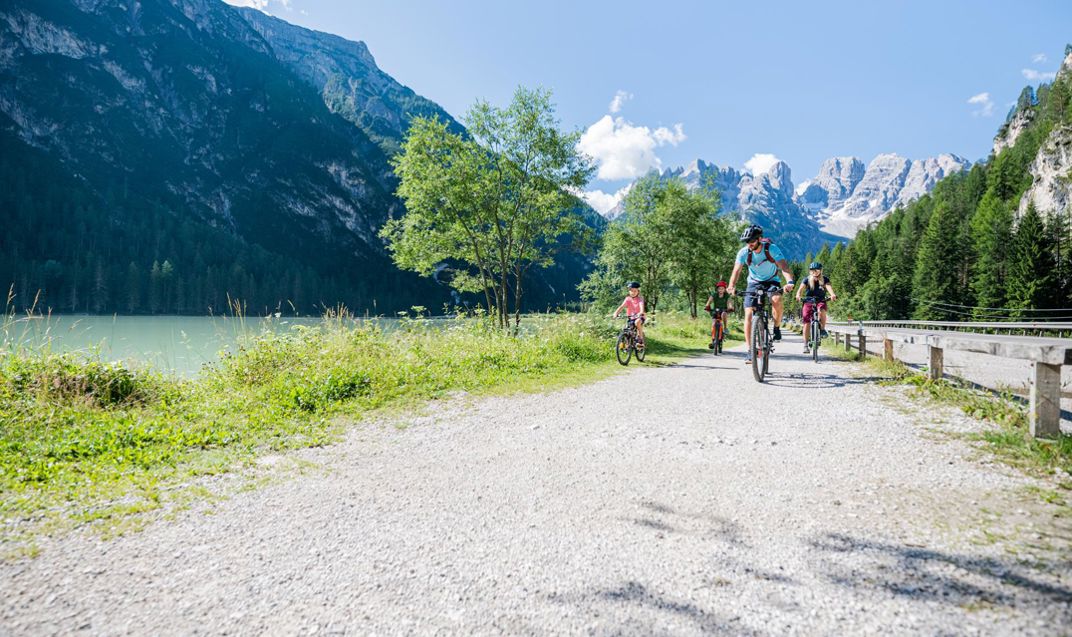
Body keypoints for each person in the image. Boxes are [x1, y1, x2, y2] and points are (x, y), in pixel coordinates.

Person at [727, 224, 795, 363]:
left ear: (760, 239)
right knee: (749, 313)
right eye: (747, 242)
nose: (749, 244)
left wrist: (789, 282)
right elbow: (736, 271)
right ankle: (750, 351)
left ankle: (776, 328)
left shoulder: (771, 249)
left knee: (776, 299)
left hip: (772, 281)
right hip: (753, 282)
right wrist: (731, 286)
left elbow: (784, 266)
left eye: (752, 241)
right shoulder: (743, 252)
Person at [796, 261, 837, 352]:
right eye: (812, 270)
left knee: (822, 310)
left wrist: (832, 294)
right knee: (806, 322)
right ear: (810, 271)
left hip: (821, 300)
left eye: (816, 270)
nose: (814, 272)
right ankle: (805, 345)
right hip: (808, 301)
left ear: (820, 271)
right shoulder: (807, 279)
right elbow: (800, 289)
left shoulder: (825, 279)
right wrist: (798, 295)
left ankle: (822, 329)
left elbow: (829, 287)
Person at [612, 281, 646, 348]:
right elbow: (621, 307)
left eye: (635, 291)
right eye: (631, 291)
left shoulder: (640, 299)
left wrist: (640, 312)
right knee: (626, 329)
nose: (632, 292)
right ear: (629, 291)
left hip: (640, 317)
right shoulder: (627, 299)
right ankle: (625, 344)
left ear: (638, 291)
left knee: (637, 322)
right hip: (631, 317)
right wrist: (616, 313)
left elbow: (641, 307)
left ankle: (640, 340)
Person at [703, 281, 734, 349]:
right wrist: (707, 306)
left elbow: (729, 302)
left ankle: (725, 328)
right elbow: (710, 300)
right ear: (717, 289)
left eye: (722, 289)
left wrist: (730, 307)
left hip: (724, 310)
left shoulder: (727, 295)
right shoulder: (714, 294)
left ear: (725, 289)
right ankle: (713, 340)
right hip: (716, 310)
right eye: (719, 288)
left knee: (723, 314)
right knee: (713, 324)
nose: (720, 290)